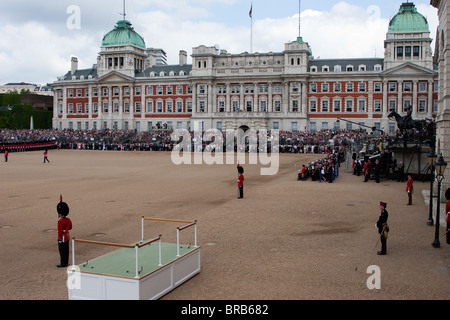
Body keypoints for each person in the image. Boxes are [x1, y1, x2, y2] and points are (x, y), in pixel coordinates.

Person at [57, 197, 72, 268]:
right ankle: (66, 262)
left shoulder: (60, 221)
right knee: (66, 250)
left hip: (62, 237)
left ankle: (63, 263)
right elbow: (70, 227)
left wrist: (59, 238)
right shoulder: (68, 220)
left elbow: (60, 231)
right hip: (67, 236)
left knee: (62, 251)